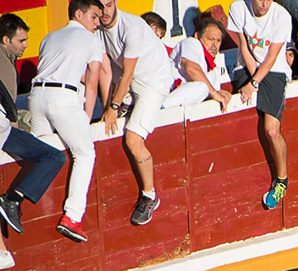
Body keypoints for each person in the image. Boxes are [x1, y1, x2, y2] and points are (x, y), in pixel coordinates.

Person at [28, 0, 105, 243]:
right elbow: (92, 81)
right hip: (62, 98)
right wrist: (86, 116)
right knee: (85, 153)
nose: (97, 23)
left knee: (41, 155)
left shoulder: (49, 37)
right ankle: (72, 217)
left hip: (36, 96)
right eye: (94, 17)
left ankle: (19, 203)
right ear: (79, 14)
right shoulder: (91, 40)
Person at [98, 0, 175, 226]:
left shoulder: (130, 27)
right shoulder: (98, 30)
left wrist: (113, 107)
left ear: (116, 3)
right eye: (100, 6)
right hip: (128, 81)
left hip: (152, 81)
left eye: (108, 5)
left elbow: (128, 72)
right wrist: (107, 107)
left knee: (133, 139)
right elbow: (105, 70)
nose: (105, 12)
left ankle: (150, 195)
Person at [0, 12, 67, 269]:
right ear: (6, 39)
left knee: (53, 155)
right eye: (21, 40)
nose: (25, 45)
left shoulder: (7, 59)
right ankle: (11, 201)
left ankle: (12, 200)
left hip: (5, 128)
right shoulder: (1, 57)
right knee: (53, 156)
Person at [228, 0, 293, 210]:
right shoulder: (238, 8)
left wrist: (254, 83)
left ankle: (282, 180)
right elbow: (244, 44)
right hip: (247, 66)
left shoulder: (281, 16)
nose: (264, 4)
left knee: (272, 131)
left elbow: (272, 58)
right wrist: (252, 78)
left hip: (275, 70)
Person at [163, 15, 231, 111]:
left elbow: (211, 94)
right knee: (202, 87)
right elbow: (191, 68)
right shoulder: (191, 43)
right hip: (160, 92)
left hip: (180, 109)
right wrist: (215, 93)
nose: (214, 45)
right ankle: (161, 107)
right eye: (210, 39)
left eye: (218, 41)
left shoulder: (214, 70)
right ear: (197, 36)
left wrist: (223, 94)